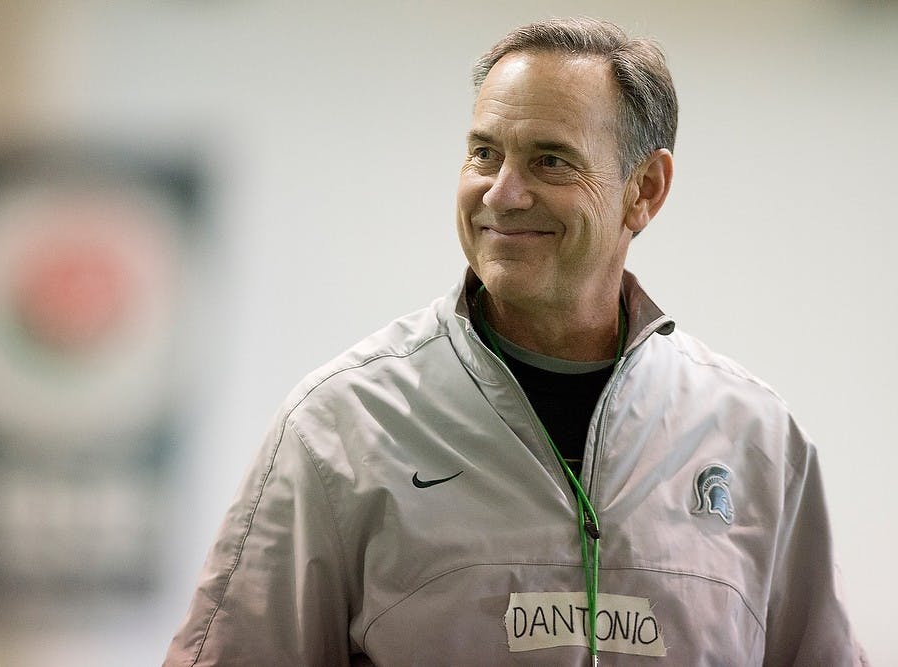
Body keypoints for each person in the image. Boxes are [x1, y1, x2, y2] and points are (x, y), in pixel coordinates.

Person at [165, 17, 865, 666]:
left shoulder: (754, 441)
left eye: (550, 161)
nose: (502, 193)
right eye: (483, 154)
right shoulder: (338, 430)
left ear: (644, 190)